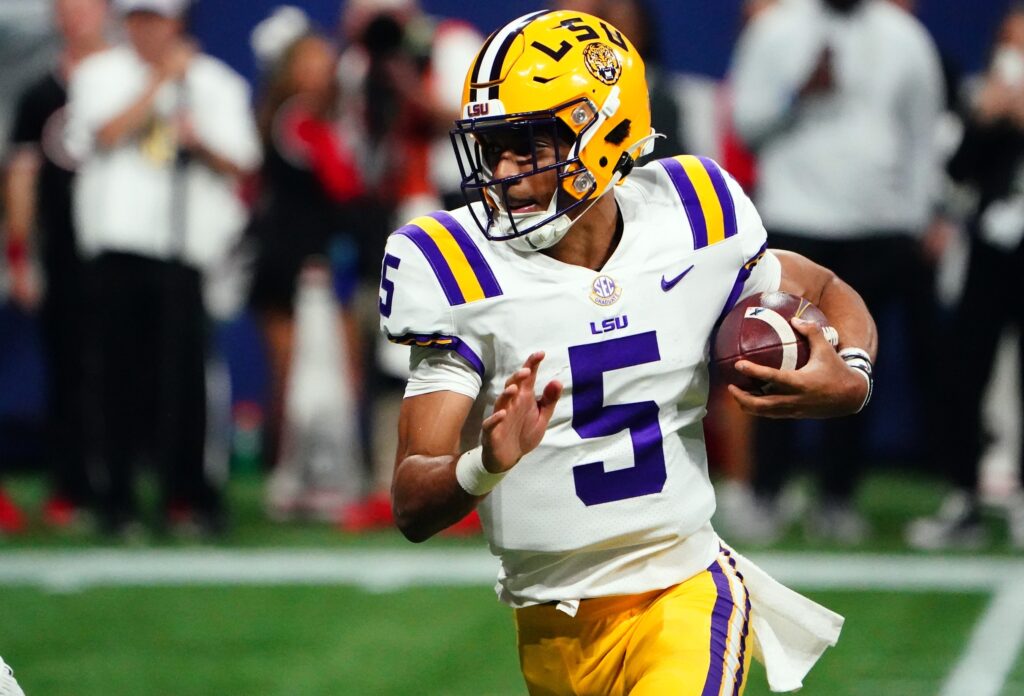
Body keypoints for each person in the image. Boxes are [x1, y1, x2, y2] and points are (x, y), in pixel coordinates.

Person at [382, 10, 876, 694]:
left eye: (528, 145)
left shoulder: (693, 213)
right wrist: (485, 462)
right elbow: (411, 501)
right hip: (548, 622)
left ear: (604, 134)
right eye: (491, 146)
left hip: (682, 592)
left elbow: (823, 285)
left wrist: (852, 377)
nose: (504, 172)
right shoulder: (453, 267)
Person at [730, 0, 943, 543]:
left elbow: (923, 136)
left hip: (878, 226)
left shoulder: (904, 37)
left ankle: (837, 497)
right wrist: (797, 94)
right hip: (795, 218)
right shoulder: (775, 29)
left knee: (854, 362)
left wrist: (919, 218)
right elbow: (746, 123)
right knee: (764, 354)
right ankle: (766, 493)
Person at [64, 0, 260, 536]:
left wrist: (199, 140)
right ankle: (118, 498)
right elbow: (101, 135)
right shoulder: (100, 74)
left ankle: (187, 496)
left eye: (155, 19)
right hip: (118, 247)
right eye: (136, 19)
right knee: (117, 379)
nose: (146, 30)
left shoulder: (212, 82)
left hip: (183, 252)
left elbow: (244, 160)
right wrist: (158, 84)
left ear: (176, 23)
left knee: (185, 382)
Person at [906, 5, 1024, 550]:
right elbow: (957, 176)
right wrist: (988, 119)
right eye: (1010, 41)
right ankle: (964, 496)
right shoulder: (982, 95)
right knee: (963, 372)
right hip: (991, 253)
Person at [246, 7, 366, 518]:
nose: (323, 68)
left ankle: (333, 475)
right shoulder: (295, 120)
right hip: (289, 265)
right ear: (293, 70)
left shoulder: (335, 118)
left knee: (342, 374)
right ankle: (287, 476)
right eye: (312, 61)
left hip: (329, 263)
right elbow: (344, 182)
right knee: (292, 376)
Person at [4, 0, 110, 530]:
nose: (77, 17)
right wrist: (21, 255)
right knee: (68, 370)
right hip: (65, 252)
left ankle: (119, 483)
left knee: (122, 369)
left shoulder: (125, 84)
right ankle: (71, 484)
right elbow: (21, 178)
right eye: (67, 7)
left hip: (121, 251)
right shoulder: (40, 94)